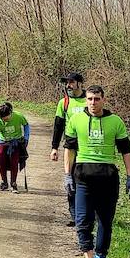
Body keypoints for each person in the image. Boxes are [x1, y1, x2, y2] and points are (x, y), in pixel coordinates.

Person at [63, 85, 130, 258]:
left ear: (103, 99)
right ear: (85, 100)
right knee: (82, 221)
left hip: (107, 176)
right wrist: (67, 175)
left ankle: (101, 256)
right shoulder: (76, 120)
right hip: (83, 176)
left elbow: (126, 152)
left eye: (96, 99)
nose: (93, 103)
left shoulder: (115, 122)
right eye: (89, 99)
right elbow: (69, 150)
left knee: (105, 220)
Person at [49, 72, 86, 226]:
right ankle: (75, 215)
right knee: (70, 181)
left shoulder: (89, 100)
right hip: (70, 147)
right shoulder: (63, 103)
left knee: (86, 181)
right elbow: (58, 125)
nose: (68, 85)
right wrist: (54, 147)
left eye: (71, 82)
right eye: (67, 83)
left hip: (87, 148)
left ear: (79, 83)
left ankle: (88, 213)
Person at [0, 102, 29, 192]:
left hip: (16, 142)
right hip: (3, 141)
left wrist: (26, 138)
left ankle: (13, 183)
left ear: (10, 113)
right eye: (2, 118)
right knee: (0, 157)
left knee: (14, 161)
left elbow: (26, 125)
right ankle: (4, 182)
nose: (4, 120)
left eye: (6, 118)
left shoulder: (18, 116)